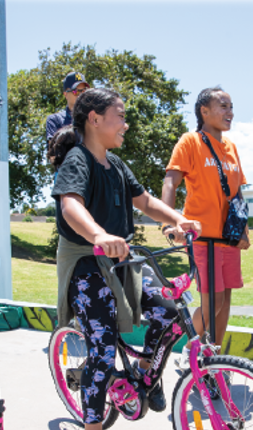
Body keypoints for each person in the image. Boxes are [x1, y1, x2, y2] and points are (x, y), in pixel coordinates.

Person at [51, 88, 202, 430]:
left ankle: (146, 375)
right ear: (94, 119)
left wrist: (178, 219)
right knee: (102, 353)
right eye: (119, 116)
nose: (126, 124)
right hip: (88, 263)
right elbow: (71, 205)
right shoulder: (78, 159)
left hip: (124, 259)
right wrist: (99, 235)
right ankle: (92, 425)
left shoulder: (115, 162)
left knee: (171, 312)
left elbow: (145, 201)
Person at [161, 87, 249, 368]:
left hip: (229, 238)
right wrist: (169, 220)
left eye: (231, 106)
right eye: (223, 106)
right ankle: (189, 349)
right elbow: (170, 182)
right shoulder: (190, 142)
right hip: (203, 238)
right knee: (214, 302)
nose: (230, 112)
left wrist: (244, 229)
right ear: (204, 111)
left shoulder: (231, 148)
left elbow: (238, 194)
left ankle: (215, 359)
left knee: (225, 302)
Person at [46, 71, 90, 144]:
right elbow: (53, 153)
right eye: (75, 91)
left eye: (83, 91)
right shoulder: (55, 120)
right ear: (65, 94)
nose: (80, 95)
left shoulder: (92, 119)